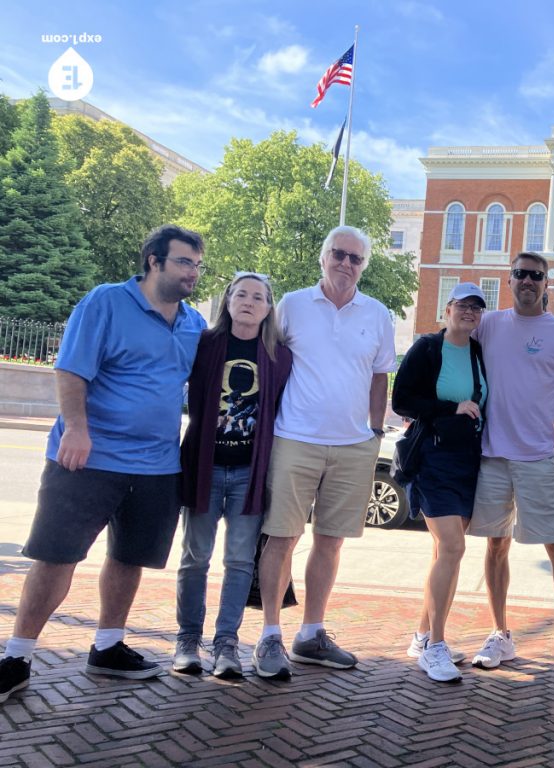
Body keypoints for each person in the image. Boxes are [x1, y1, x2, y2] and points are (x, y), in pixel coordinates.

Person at [0, 225, 206, 705]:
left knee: (130, 557)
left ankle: (108, 646)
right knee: (57, 555)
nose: (193, 272)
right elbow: (71, 369)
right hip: (89, 457)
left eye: (197, 264)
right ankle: (17, 656)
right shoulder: (105, 303)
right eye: (183, 262)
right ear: (154, 260)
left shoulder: (193, 323)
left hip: (157, 465)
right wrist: (76, 427)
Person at [252, 225, 396, 680]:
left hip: (354, 444)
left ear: (364, 266)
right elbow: (267, 362)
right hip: (295, 437)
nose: (346, 264)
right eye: (339, 254)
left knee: (330, 542)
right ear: (323, 257)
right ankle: (270, 634)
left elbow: (380, 376)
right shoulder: (293, 304)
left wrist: (374, 431)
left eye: (355, 259)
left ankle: (311, 633)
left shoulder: (377, 314)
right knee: (282, 537)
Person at [468, 252, 554, 684]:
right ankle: (500, 633)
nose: (528, 281)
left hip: (539, 458)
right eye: (521, 274)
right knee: (495, 546)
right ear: (510, 280)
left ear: (547, 284)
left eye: (536, 276)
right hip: (491, 456)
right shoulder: (488, 326)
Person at [173, 272, 292, 679]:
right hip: (205, 467)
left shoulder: (279, 354)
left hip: (248, 473)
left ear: (268, 307)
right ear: (227, 301)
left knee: (240, 561)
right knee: (194, 559)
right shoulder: (205, 345)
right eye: (240, 294)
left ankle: (227, 644)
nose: (248, 301)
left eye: (258, 297)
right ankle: (188, 640)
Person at [392, 283, 488, 683]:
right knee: (452, 546)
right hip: (433, 458)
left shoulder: (479, 350)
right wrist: (452, 407)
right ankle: (436, 647)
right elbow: (402, 401)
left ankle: (423, 635)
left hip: (468, 459)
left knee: (442, 553)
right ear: (447, 309)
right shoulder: (427, 348)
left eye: (476, 308)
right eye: (463, 306)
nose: (469, 312)